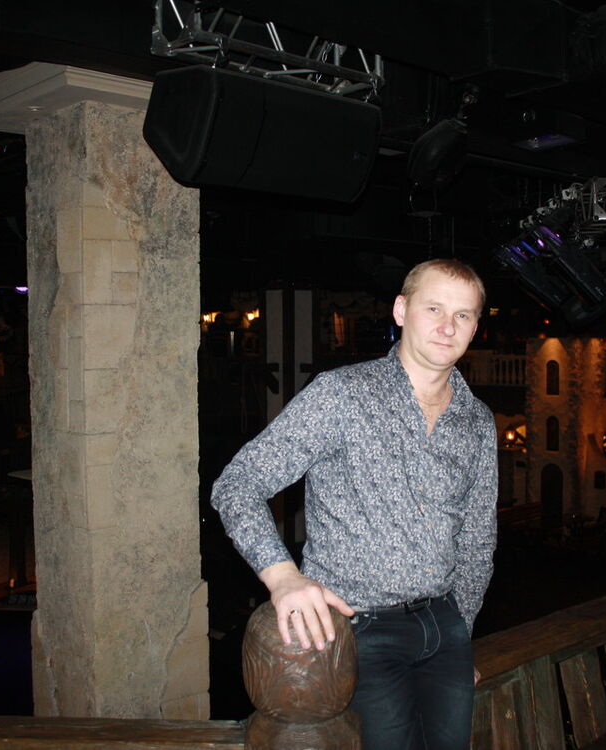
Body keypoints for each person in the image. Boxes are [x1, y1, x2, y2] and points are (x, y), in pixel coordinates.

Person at [211, 258, 497, 750]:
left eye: (463, 315)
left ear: (474, 327)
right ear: (401, 310)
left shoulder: (477, 420)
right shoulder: (343, 394)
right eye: (434, 308)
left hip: (446, 629)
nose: (448, 326)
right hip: (360, 629)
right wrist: (282, 577)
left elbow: (477, 538)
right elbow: (237, 484)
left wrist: (461, 631)